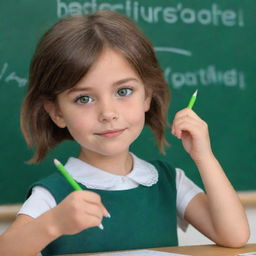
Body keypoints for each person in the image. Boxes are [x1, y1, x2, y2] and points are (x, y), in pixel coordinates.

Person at [0, 10, 249, 256]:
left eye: (123, 92)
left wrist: (204, 158)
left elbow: (234, 236)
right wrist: (53, 223)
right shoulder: (53, 193)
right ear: (57, 113)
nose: (108, 113)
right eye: (84, 98)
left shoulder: (166, 181)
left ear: (147, 96)